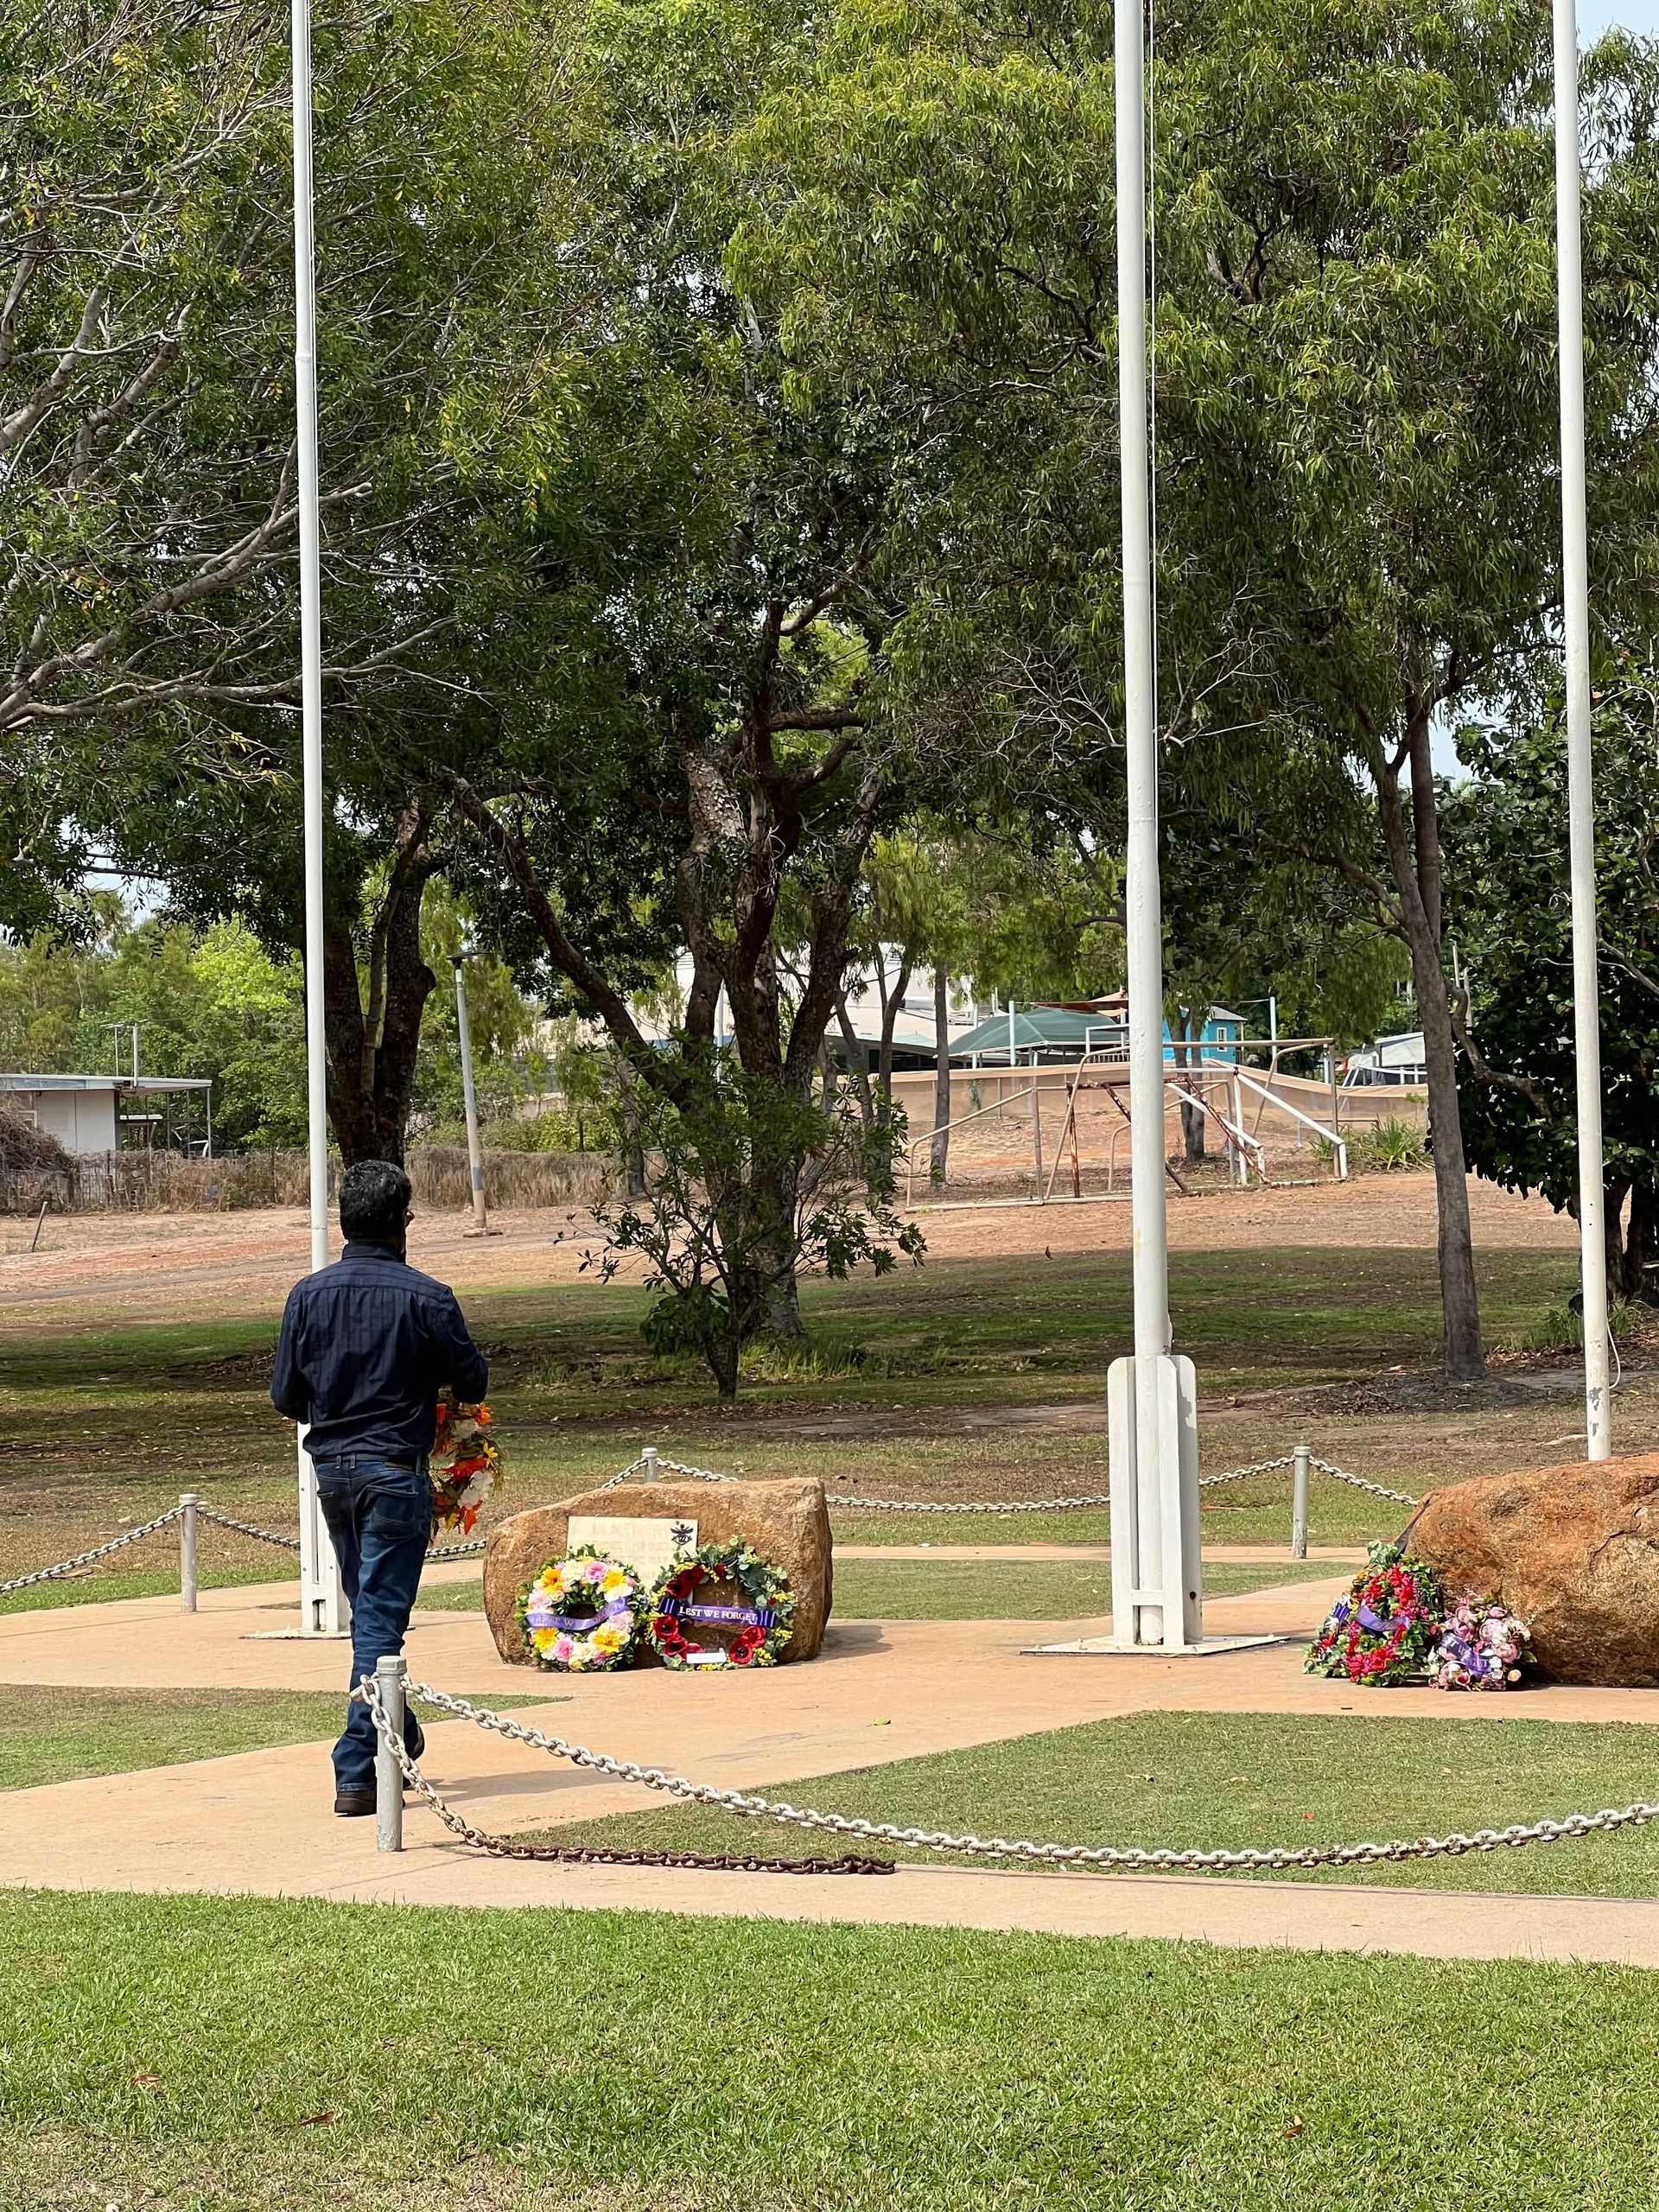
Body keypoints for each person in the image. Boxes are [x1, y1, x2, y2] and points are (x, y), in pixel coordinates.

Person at [270, 1158, 488, 1815]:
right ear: (404, 1223)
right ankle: (356, 1766)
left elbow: (287, 1396)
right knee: (379, 1624)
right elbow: (472, 1382)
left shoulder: (307, 1295)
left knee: (372, 1614)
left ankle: (402, 1727)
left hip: (334, 1473)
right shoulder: (428, 1297)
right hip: (394, 1472)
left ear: (344, 1222)